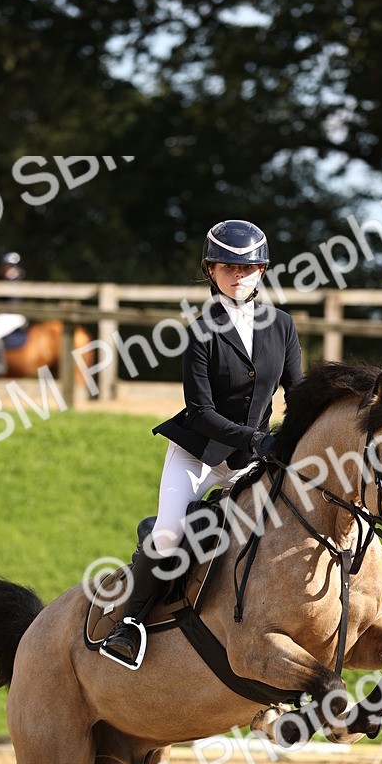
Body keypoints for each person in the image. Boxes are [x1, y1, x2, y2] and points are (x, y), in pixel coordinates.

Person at [101, 219, 304, 668]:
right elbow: (200, 412)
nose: (238, 275)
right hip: (199, 453)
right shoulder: (199, 331)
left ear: (262, 271)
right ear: (210, 270)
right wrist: (257, 438)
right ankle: (129, 625)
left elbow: (298, 394)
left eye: (248, 268)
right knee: (169, 533)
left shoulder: (282, 326)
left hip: (253, 459)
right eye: (228, 267)